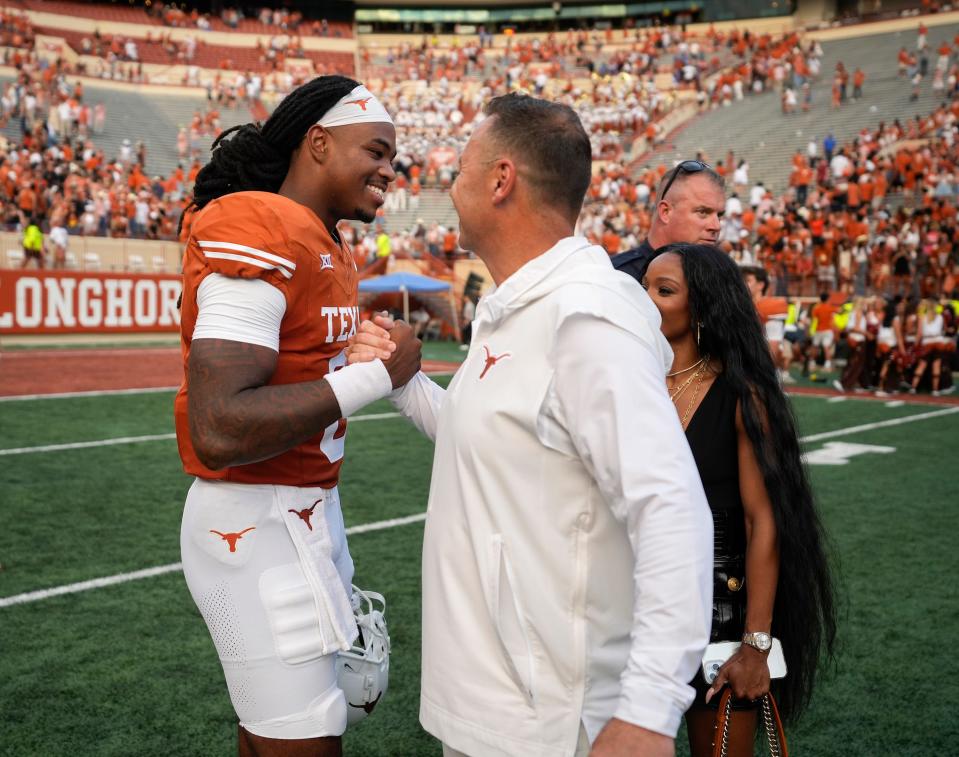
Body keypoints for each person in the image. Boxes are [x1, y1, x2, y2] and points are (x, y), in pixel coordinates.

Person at [349, 93, 713, 756]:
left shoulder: (585, 316)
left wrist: (647, 710)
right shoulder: (516, 303)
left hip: (547, 719)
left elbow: (670, 508)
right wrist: (404, 384)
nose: (447, 186)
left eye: (460, 168)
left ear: (500, 179)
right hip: (495, 706)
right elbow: (488, 435)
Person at [175, 75, 421, 757]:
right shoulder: (257, 222)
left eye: (392, 159)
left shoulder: (325, 241)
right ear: (317, 142)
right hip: (252, 518)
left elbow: (296, 372)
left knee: (282, 727)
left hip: (305, 507)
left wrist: (352, 358)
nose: (386, 171)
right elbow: (220, 424)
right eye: (374, 150)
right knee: (307, 731)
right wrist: (374, 377)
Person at [642, 243, 837, 757]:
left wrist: (756, 644)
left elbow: (762, 521)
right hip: (636, 605)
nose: (646, 301)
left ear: (703, 307)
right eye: (643, 288)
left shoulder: (741, 392)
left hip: (719, 609)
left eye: (663, 291)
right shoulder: (631, 384)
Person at [610, 159, 725, 283]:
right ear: (665, 212)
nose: (716, 226)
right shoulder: (616, 277)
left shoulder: (720, 279)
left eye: (719, 215)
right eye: (703, 212)